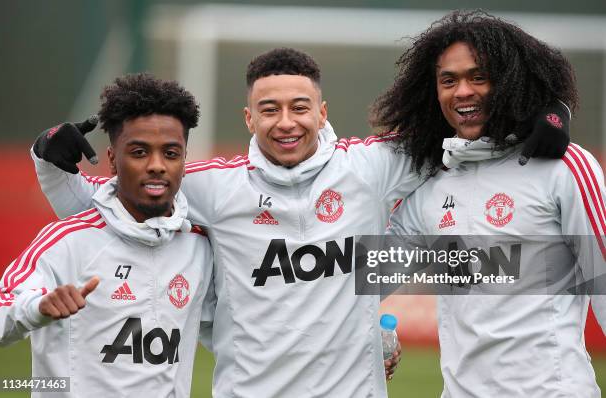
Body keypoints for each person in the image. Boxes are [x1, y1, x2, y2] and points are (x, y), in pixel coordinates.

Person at [30, 48, 569, 397]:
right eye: (269, 109)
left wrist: (542, 114)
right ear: (249, 118)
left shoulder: (373, 166)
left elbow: (465, 125)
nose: (286, 123)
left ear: (322, 109)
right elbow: (102, 211)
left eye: (299, 107)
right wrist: (49, 160)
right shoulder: (212, 186)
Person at [375, 10, 606, 397]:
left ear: (511, 82)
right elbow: (365, 278)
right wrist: (361, 336)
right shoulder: (429, 183)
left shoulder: (564, 167)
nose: (462, 91)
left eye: (478, 77)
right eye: (448, 80)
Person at [0, 73, 213, 398]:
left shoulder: (199, 248)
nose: (156, 165)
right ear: (112, 159)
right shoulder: (66, 242)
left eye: (170, 153)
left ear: (184, 160)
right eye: (139, 152)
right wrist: (36, 307)